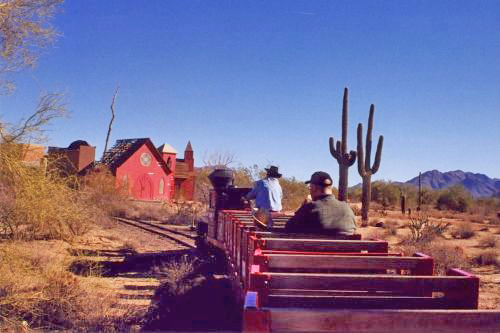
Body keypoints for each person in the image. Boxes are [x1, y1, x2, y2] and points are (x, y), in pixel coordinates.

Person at [285, 171, 356, 236]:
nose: (309, 189)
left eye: (310, 187)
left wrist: (302, 208)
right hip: (347, 249)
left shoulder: (309, 208)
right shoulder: (346, 207)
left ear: (315, 188)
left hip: (315, 249)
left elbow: (288, 227)